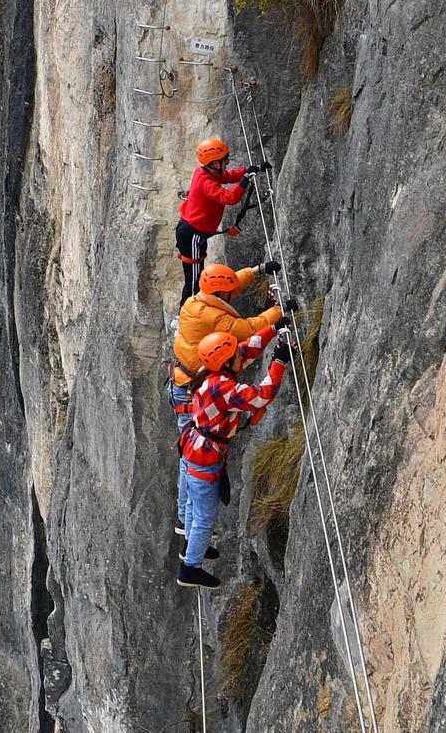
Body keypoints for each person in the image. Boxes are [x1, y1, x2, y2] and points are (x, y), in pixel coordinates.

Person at [176, 328, 291, 589]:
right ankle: (190, 568)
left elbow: (244, 350)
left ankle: (192, 548)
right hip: (204, 458)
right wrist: (279, 363)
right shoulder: (223, 388)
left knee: (195, 506)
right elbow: (261, 396)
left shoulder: (211, 375)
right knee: (205, 516)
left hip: (193, 450)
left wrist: (274, 327)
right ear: (225, 362)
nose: (240, 355)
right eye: (233, 354)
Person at [168, 261, 285, 428]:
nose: (232, 292)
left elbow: (229, 285)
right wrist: (279, 311)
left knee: (194, 441)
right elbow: (248, 329)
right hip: (189, 389)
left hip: (183, 379)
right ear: (222, 294)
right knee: (195, 446)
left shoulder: (196, 301)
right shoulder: (214, 317)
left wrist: (257, 270)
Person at [174, 138, 267, 297]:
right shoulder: (206, 181)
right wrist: (246, 179)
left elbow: (228, 176)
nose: (228, 162)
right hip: (193, 235)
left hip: (192, 233)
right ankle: (185, 313)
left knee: (195, 276)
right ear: (216, 163)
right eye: (226, 160)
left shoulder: (206, 171)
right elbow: (230, 197)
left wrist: (251, 170)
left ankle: (186, 311)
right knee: (195, 279)